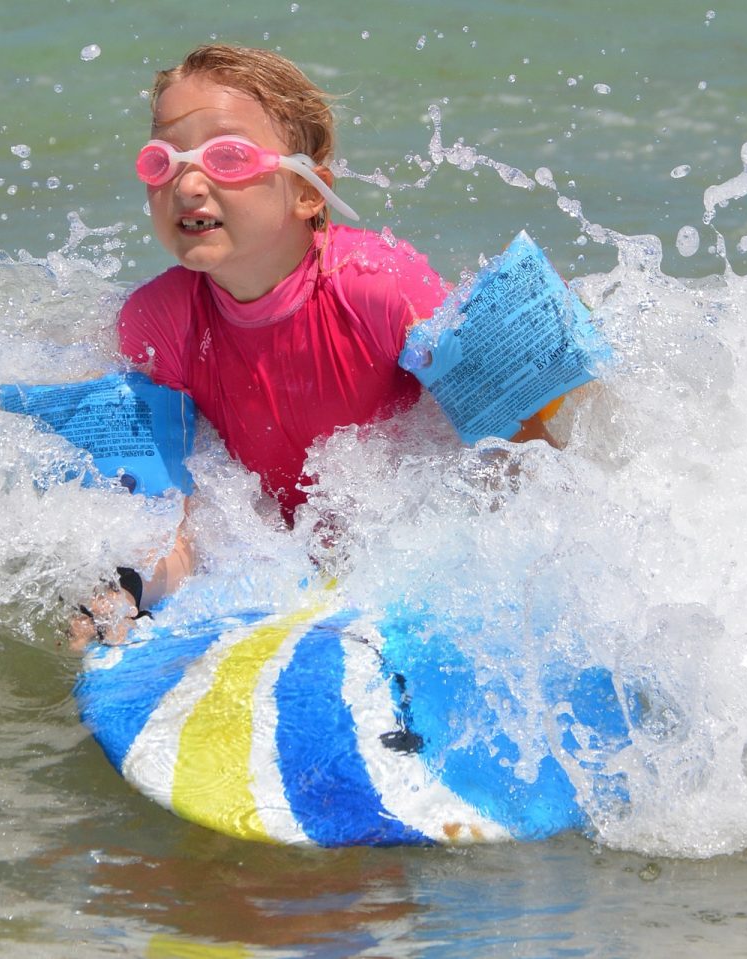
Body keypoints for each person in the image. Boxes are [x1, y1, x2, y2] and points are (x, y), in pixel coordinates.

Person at [69, 43, 554, 649]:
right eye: (162, 160)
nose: (188, 182)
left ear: (308, 192)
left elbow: (518, 453)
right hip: (269, 559)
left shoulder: (381, 289)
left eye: (226, 156)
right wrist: (128, 591)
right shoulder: (153, 324)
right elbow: (186, 514)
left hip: (403, 552)